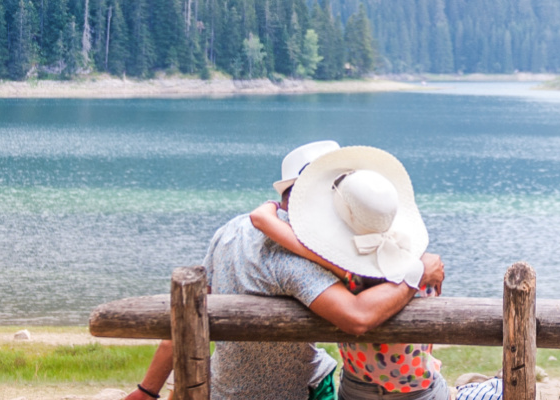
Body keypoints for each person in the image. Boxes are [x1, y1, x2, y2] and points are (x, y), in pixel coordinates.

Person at [123, 141, 445, 400]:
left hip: (224, 388)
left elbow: (187, 317)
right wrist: (415, 273)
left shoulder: (229, 231)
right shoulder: (298, 260)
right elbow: (357, 317)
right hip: (297, 391)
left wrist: (147, 389)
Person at [252, 146, 449, 399]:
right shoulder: (421, 263)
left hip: (357, 386)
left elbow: (262, 220)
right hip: (418, 389)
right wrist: (417, 270)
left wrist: (271, 206)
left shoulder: (338, 265)